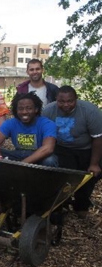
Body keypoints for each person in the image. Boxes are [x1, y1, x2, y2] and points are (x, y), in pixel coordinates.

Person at [43, 86, 102, 218]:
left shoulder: (90, 111)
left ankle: (81, 204)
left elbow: (98, 139)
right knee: (64, 176)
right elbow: (43, 133)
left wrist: (94, 163)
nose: (66, 105)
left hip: (87, 149)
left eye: (70, 101)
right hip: (62, 148)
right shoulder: (48, 111)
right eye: (61, 101)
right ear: (56, 100)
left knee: (89, 177)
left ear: (76, 99)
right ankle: (60, 204)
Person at [0, 92, 58, 166]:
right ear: (16, 110)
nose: (24, 112)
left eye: (29, 108)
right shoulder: (10, 123)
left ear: (36, 109)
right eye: (20, 109)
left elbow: (48, 148)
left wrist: (22, 164)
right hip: (17, 155)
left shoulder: (47, 124)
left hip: (38, 156)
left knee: (50, 160)